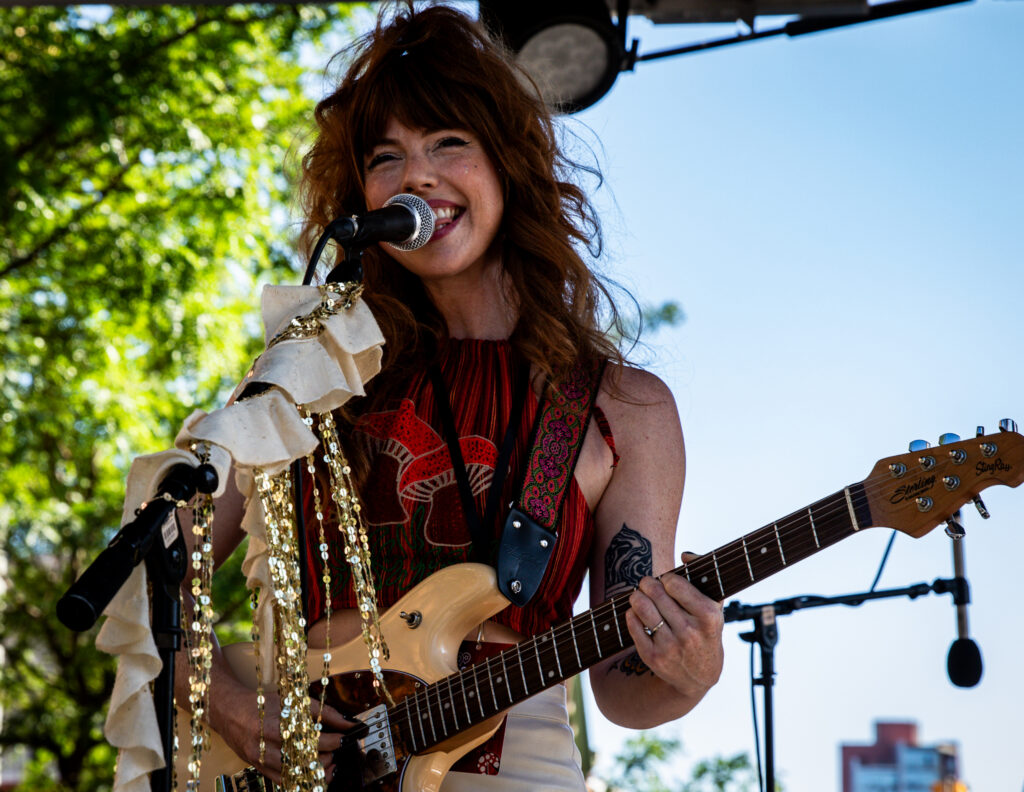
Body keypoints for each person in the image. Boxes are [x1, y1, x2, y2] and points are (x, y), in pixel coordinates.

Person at [177, 3, 725, 789]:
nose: (418, 176)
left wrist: (688, 669)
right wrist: (223, 698)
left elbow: (622, 689)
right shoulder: (311, 375)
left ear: (508, 166)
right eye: (386, 156)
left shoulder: (624, 409)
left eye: (448, 143)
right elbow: (163, 565)